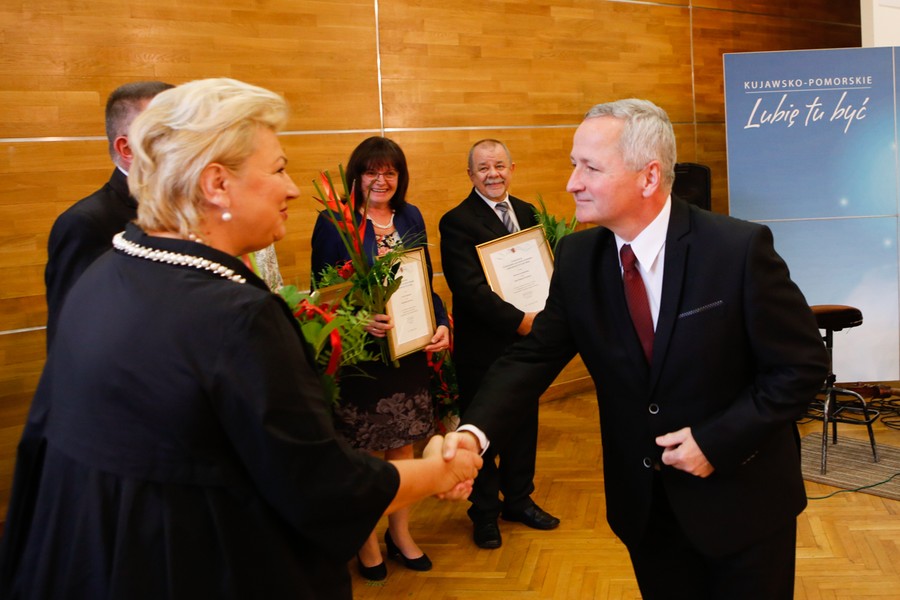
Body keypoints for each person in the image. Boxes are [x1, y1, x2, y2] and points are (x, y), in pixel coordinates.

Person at [0, 78, 481, 600]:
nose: (291, 188)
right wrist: (442, 470)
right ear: (216, 184)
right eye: (278, 169)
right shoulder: (237, 317)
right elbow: (324, 488)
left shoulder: (107, 273)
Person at [443, 99, 829, 599]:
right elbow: (531, 357)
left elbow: (801, 367)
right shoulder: (578, 259)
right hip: (646, 514)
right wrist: (473, 434)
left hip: (744, 507)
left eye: (590, 168)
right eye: (573, 165)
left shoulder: (737, 250)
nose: (572, 183)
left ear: (648, 177)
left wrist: (717, 441)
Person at [310, 136, 452, 581]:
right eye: (372, 171)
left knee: (403, 447)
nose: (381, 179)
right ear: (356, 176)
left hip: (408, 351)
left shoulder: (410, 216)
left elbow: (423, 281)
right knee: (366, 452)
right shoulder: (334, 222)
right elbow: (322, 293)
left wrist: (441, 321)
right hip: (362, 359)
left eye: (390, 172)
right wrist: (359, 319)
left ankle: (400, 532)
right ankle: (366, 541)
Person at [438, 139, 559, 549]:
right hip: (483, 347)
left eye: (500, 166)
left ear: (512, 168)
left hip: (527, 346)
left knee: (525, 424)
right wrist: (520, 321)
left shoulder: (527, 213)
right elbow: (468, 289)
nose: (493, 174)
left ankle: (519, 500)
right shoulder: (456, 222)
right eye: (484, 168)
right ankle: (485, 512)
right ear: (470, 174)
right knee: (483, 427)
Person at [44, 80, 173, 347]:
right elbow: (72, 333)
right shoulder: (86, 222)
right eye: (168, 133)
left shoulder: (195, 207)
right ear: (127, 149)